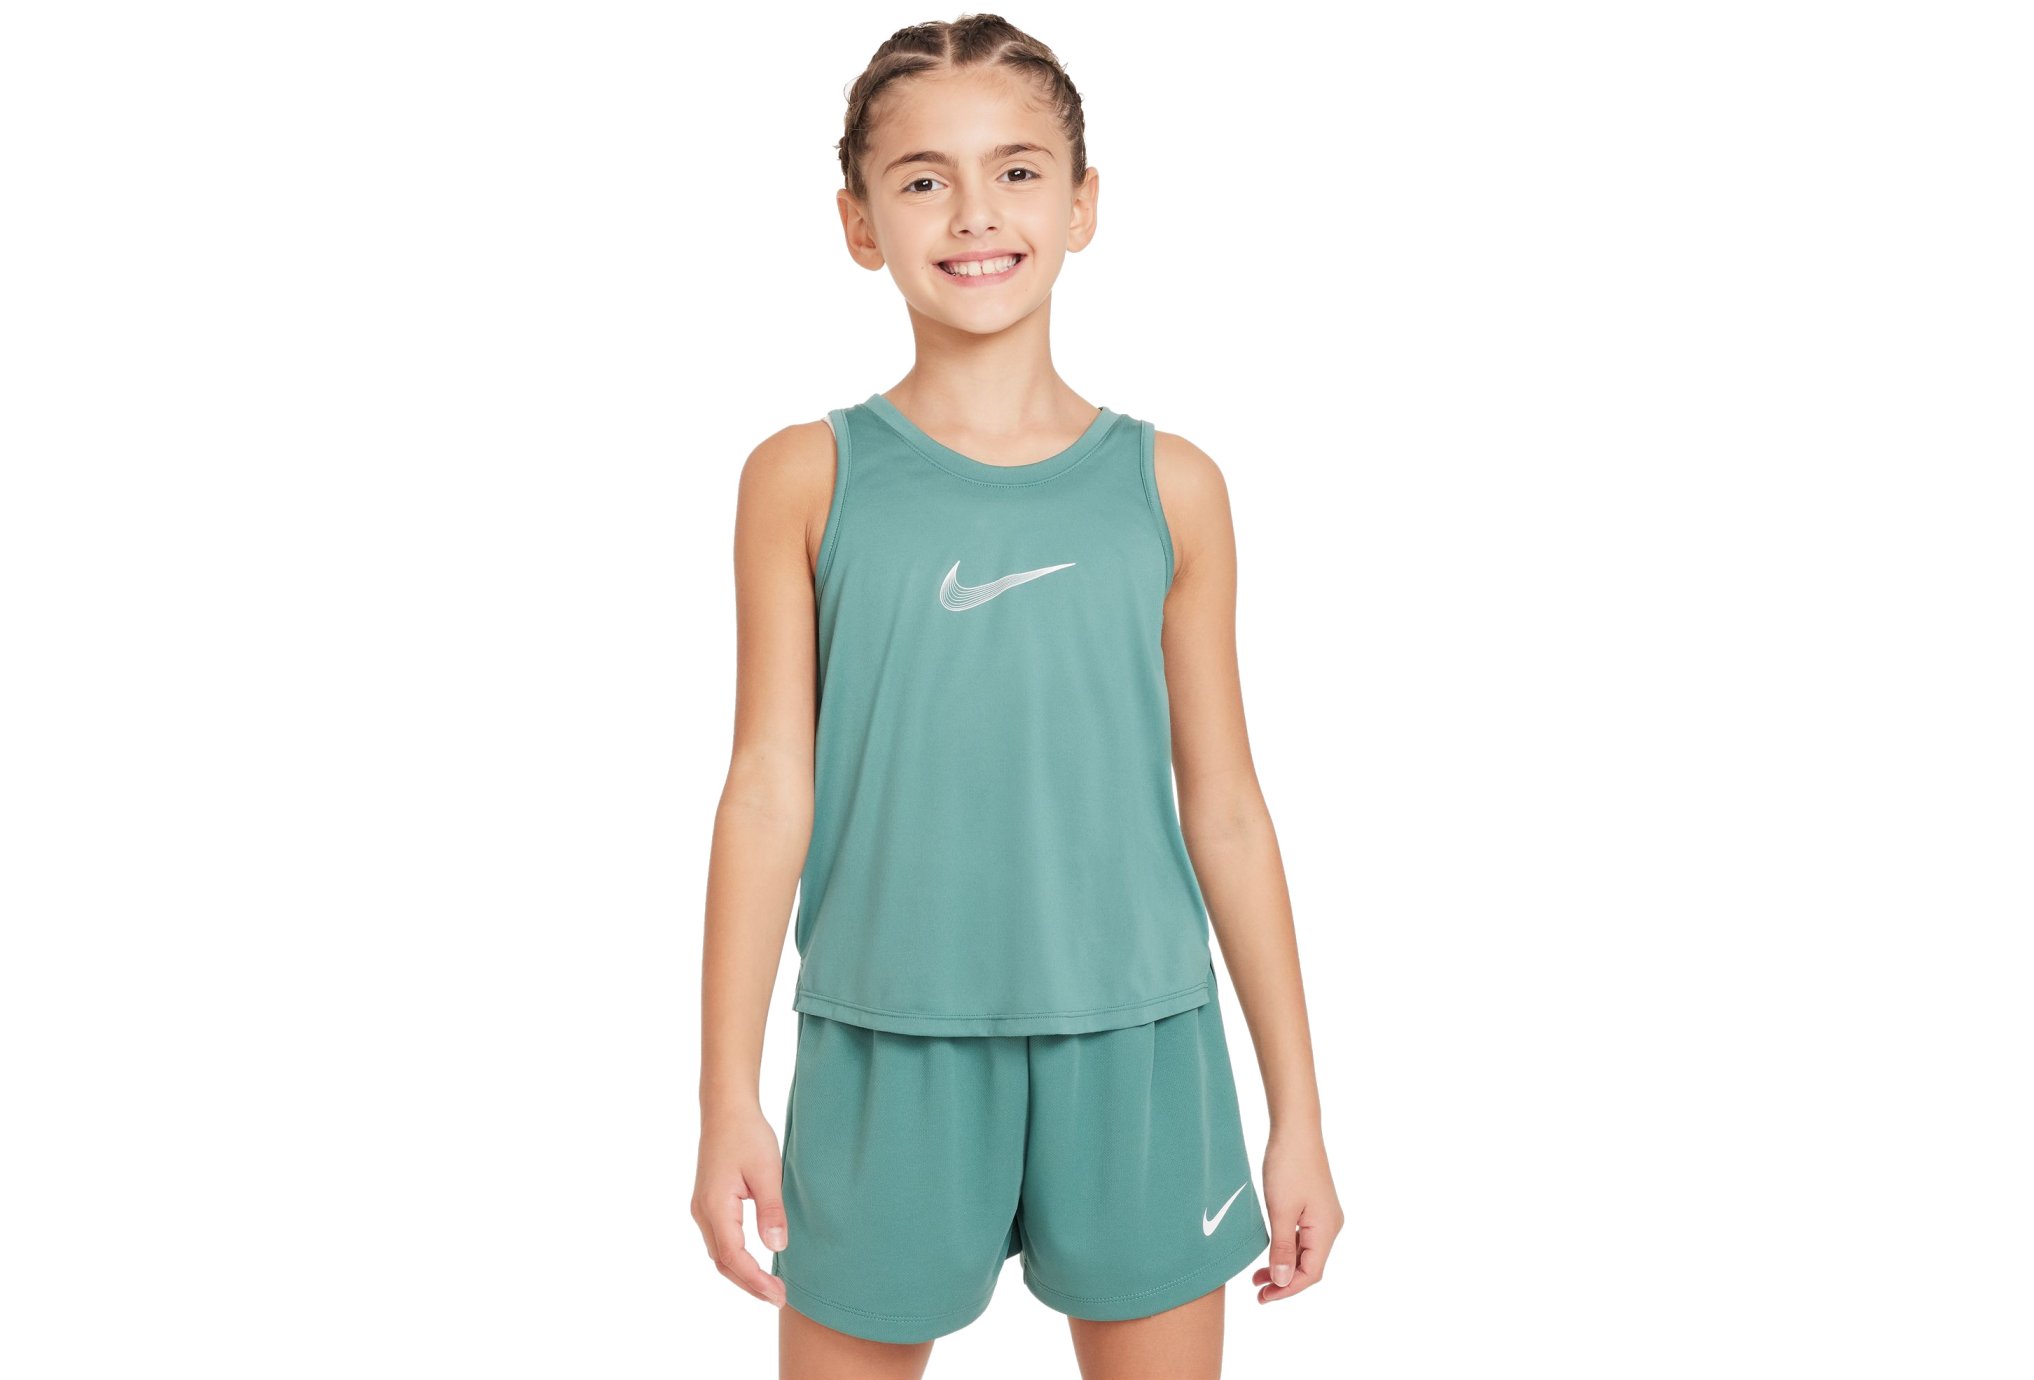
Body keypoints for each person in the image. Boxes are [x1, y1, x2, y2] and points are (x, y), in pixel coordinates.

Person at [693, 15, 1342, 1376]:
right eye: (923, 177)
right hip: (883, 1046)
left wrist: (1299, 1114)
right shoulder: (803, 479)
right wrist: (725, 1097)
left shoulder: (1172, 489)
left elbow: (1226, 808)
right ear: (858, 222)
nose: (974, 213)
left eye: (1018, 171)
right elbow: (764, 791)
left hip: (1141, 1049)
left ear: (1083, 204)